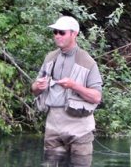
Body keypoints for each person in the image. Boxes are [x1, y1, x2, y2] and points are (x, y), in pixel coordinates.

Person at [31, 16, 103, 158]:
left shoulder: (88, 62)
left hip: (79, 129)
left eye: (62, 32)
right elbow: (34, 89)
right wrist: (38, 86)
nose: (57, 36)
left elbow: (96, 97)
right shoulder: (50, 58)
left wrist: (74, 86)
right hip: (53, 126)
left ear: (74, 34)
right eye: (55, 32)